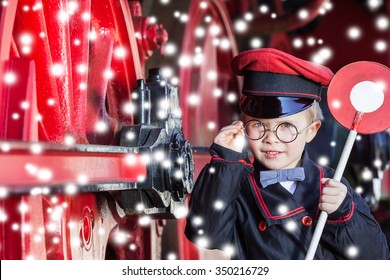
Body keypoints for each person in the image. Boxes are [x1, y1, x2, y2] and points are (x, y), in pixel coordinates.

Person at [185, 48, 390, 259]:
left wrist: (344, 214)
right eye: (258, 125)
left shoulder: (333, 185)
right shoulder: (236, 185)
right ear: (242, 126)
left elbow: (376, 257)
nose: (271, 138)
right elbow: (205, 235)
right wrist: (225, 162)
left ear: (311, 131)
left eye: (286, 126)